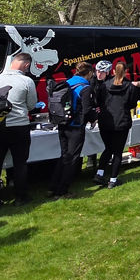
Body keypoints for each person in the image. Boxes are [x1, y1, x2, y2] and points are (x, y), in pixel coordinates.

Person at [0, 52, 38, 207]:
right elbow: (31, 105)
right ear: (26, 65)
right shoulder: (27, 81)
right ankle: (21, 197)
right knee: (20, 163)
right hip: (19, 126)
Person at [51, 61, 93, 197]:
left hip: (62, 123)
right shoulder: (85, 87)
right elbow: (87, 109)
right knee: (72, 158)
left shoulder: (67, 82)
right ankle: (63, 190)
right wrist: (94, 118)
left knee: (63, 155)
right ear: (90, 73)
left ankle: (53, 187)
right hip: (75, 126)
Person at [94, 61, 135, 188]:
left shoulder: (104, 85)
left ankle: (100, 173)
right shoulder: (129, 86)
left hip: (106, 121)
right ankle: (112, 179)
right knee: (117, 151)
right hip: (121, 121)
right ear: (126, 72)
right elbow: (132, 104)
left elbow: (99, 102)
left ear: (112, 71)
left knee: (108, 148)